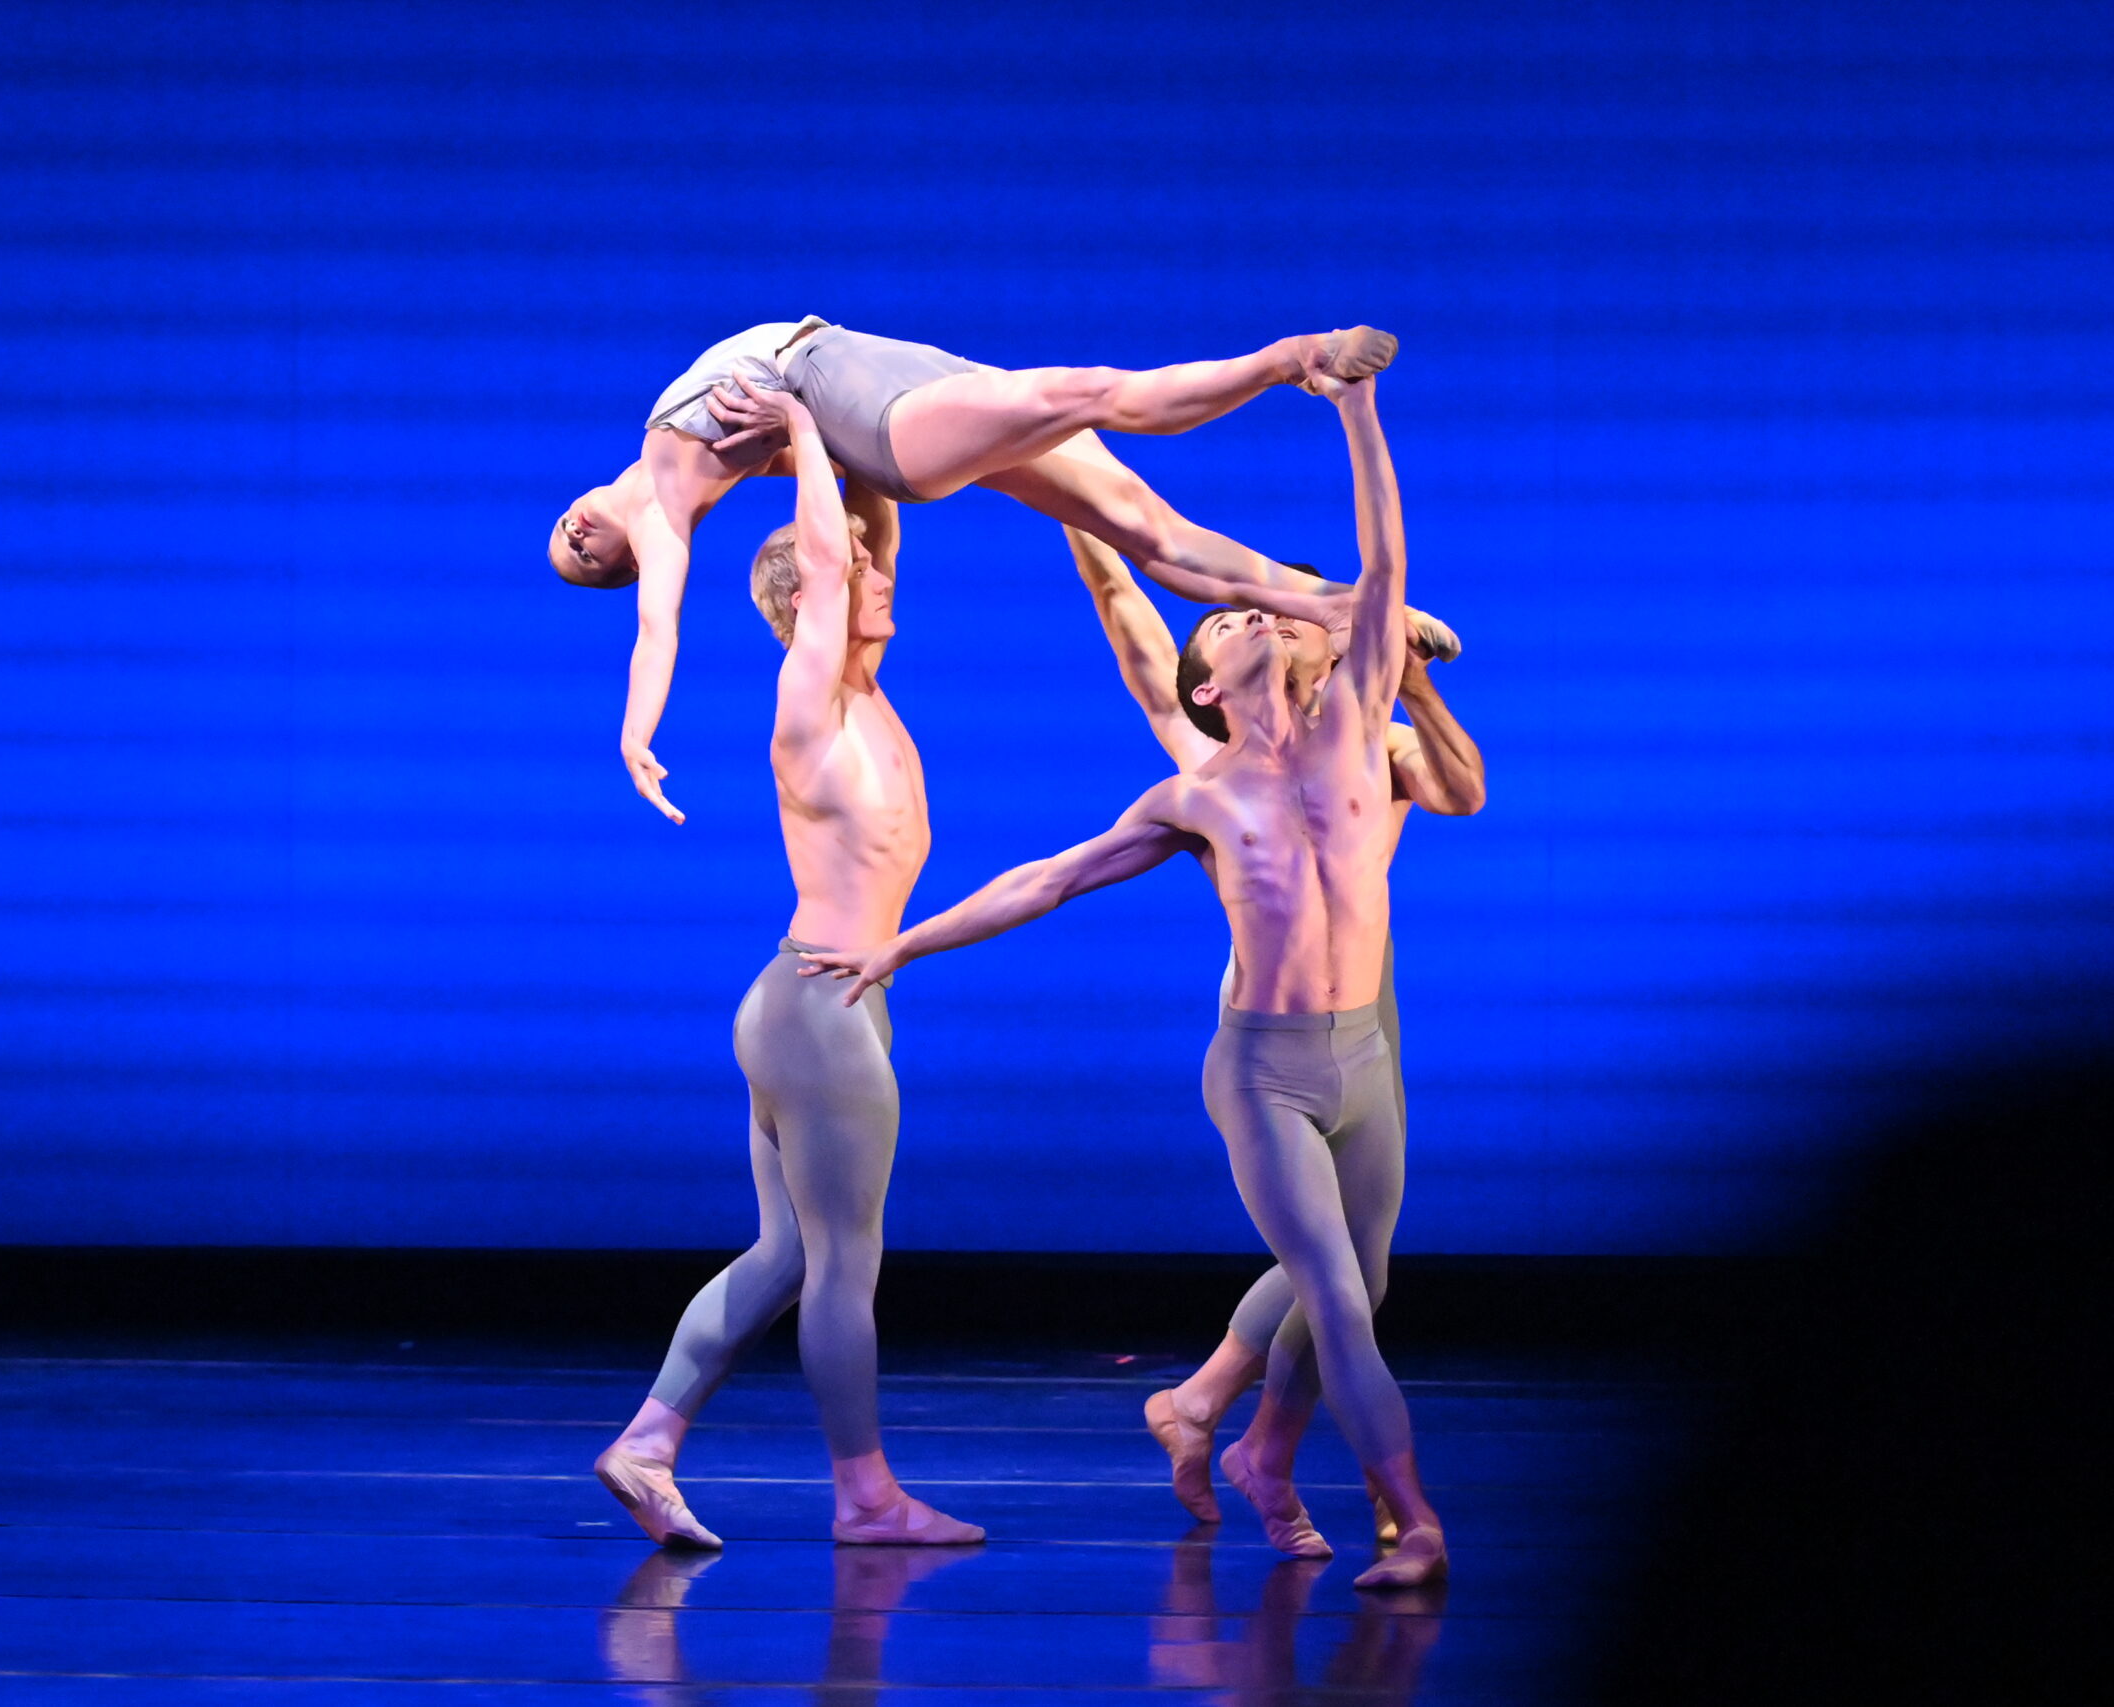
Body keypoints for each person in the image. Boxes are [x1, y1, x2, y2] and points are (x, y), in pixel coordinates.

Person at [799, 374, 1447, 1589]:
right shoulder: (1192, 785)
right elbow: (1050, 878)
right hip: (1265, 1064)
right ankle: (1411, 1518)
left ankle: (1221, 1421)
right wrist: (902, 944)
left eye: (1258, 611)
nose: (1251, 611)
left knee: (1359, 1280)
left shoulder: (1361, 720)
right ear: (1203, 683)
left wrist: (1354, 410)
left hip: (1362, 1041)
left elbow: (1381, 560)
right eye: (1225, 621)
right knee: (1338, 1299)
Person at [592, 382, 983, 1549]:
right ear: (819, 593)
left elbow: (874, 521)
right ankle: (866, 1498)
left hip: (814, 1002)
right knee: (845, 1264)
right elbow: (830, 549)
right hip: (816, 1003)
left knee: (786, 1253)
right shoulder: (810, 693)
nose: (880, 576)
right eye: (859, 571)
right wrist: (807, 436)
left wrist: (858, 435)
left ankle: (647, 1442)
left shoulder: (869, 697)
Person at [549, 318, 1446, 824]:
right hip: (862, 405)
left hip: (867, 379)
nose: (578, 533)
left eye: (563, 529)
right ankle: (1292, 360)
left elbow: (848, 509)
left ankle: (1359, 606)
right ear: (626, 560)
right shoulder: (663, 516)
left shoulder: (659, 452)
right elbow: (657, 629)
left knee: (1156, 534)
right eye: (587, 558)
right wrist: (636, 734)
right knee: (1082, 390)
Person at [1062, 527, 1485, 1533]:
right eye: (1266, 612)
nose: (1279, 623)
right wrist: (1071, 490)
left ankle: (1209, 1406)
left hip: (1362, 996)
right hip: (1276, 1013)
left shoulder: (1370, 739)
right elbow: (1132, 631)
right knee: (1334, 1273)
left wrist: (1416, 684)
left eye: (1294, 613)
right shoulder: (1216, 754)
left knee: (1357, 1270)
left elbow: (1462, 790)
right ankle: (1340, 1476)